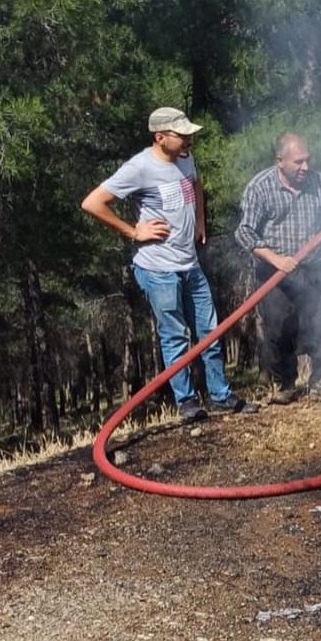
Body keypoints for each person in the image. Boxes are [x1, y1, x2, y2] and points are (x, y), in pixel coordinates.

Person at [81, 108, 255, 421]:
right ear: (160, 138)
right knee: (175, 334)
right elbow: (93, 203)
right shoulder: (139, 168)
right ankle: (187, 403)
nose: (189, 140)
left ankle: (220, 396)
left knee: (210, 330)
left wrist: (199, 219)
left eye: (189, 134)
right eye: (182, 135)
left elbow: (196, 184)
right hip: (158, 270)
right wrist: (134, 231)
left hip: (189, 264)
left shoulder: (185, 157)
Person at [235, 132, 321, 403]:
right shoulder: (259, 188)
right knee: (279, 327)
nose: (305, 167)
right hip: (275, 271)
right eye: (298, 162)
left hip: (315, 267)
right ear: (280, 162)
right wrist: (278, 261)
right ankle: (285, 384)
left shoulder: (319, 183)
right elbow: (244, 234)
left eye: (307, 160)